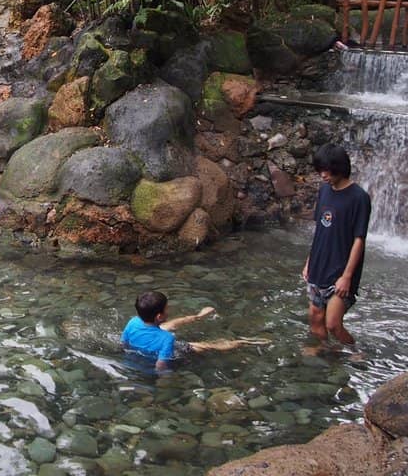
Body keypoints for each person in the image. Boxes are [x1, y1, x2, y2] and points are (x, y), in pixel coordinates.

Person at [302, 143, 371, 347]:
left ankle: (354, 351)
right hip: (318, 267)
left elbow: (359, 239)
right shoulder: (324, 191)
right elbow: (320, 231)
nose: (323, 175)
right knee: (315, 319)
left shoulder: (359, 198)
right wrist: (309, 262)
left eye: (327, 170)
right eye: (320, 170)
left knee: (333, 324)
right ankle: (326, 356)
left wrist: (347, 277)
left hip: (340, 272)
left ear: (340, 168)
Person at [121, 290, 269, 370]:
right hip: (167, 347)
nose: (169, 309)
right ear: (160, 315)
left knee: (167, 326)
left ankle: (199, 316)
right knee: (204, 346)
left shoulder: (133, 321)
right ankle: (243, 342)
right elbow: (161, 364)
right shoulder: (167, 338)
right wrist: (164, 380)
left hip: (146, 336)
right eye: (167, 308)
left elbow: (124, 342)